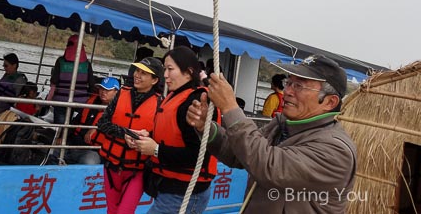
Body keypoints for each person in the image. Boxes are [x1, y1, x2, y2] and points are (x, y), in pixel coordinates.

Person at [187, 54, 357, 213]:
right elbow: (239, 154)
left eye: (299, 86)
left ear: (329, 102)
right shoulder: (282, 124)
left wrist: (231, 108)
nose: (288, 91)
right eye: (288, 83)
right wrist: (207, 128)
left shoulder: (335, 150)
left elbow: (269, 166)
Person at [131, 46, 219, 214]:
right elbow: (173, 135)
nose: (165, 75)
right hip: (169, 187)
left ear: (188, 72)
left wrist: (155, 149)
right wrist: (147, 137)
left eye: (170, 69)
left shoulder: (195, 103)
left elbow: (197, 155)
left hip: (185, 193)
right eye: (165, 69)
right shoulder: (175, 96)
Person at [96, 58, 162, 214]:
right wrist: (123, 134)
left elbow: (160, 137)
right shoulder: (121, 94)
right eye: (137, 71)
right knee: (112, 210)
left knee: (124, 211)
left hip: (137, 171)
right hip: (111, 166)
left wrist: (148, 136)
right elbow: (102, 123)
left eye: (144, 73)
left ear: (155, 80)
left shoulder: (160, 104)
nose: (137, 75)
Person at [63, 76, 120, 165]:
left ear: (116, 92)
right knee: (53, 151)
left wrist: (96, 127)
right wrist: (63, 137)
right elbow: (75, 121)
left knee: (89, 162)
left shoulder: (119, 110)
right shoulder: (91, 103)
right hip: (75, 142)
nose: (103, 92)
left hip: (95, 150)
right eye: (101, 88)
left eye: (107, 90)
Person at [47, 35, 95, 124]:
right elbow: (92, 84)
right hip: (81, 102)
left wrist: (49, 98)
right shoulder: (87, 64)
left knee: (59, 127)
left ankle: (59, 137)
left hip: (61, 100)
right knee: (73, 126)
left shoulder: (60, 61)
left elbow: (54, 81)